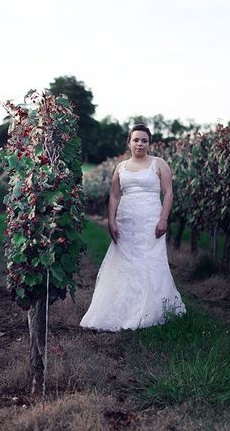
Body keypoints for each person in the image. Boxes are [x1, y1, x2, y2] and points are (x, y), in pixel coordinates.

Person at [80, 124, 185, 331]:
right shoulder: (121, 167)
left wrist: (163, 219)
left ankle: (151, 310)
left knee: (150, 262)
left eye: (144, 140)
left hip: (150, 221)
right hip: (126, 221)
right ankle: (122, 309)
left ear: (149, 143)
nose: (140, 144)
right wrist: (111, 221)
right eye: (136, 140)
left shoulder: (159, 164)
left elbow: (169, 193)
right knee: (124, 263)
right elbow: (115, 195)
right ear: (129, 142)